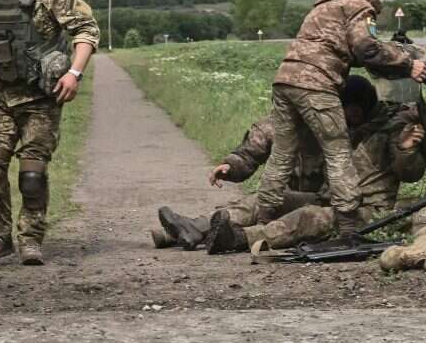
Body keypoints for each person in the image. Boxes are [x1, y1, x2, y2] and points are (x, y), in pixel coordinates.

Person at [254, 0, 426, 236]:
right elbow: (367, 48)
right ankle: (348, 226)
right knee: (338, 152)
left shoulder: (325, 3)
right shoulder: (360, 5)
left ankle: (263, 218)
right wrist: (409, 64)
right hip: (316, 84)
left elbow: (344, 50)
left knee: (282, 154)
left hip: (285, 78)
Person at [0, 0, 100, 265]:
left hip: (40, 97)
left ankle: (31, 239)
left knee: (31, 174)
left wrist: (74, 72)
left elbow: (86, 30)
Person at [151, 76, 385, 250]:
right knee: (257, 201)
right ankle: (195, 227)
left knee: (304, 216)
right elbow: (250, 151)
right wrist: (230, 167)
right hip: (293, 195)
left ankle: (207, 235)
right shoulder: (278, 125)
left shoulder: (353, 131)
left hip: (324, 203)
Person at [206, 83, 426, 254]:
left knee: (309, 217)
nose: (351, 116)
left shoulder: (391, 128)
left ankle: (240, 237)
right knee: (267, 198)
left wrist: (405, 148)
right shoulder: (331, 126)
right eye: (346, 109)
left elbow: (410, 173)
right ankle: (203, 227)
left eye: (356, 109)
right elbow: (261, 139)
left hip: (361, 208)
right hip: (323, 197)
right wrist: (232, 165)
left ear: (367, 105)